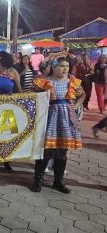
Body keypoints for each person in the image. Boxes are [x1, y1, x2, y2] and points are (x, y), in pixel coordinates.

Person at [31, 57, 85, 193]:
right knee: (46, 150)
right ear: (54, 67)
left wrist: (76, 105)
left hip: (66, 119)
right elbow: (32, 96)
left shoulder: (72, 81)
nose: (65, 69)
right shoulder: (44, 81)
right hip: (49, 117)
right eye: (61, 66)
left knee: (62, 150)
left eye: (67, 66)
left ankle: (58, 181)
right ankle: (38, 180)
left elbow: (82, 95)